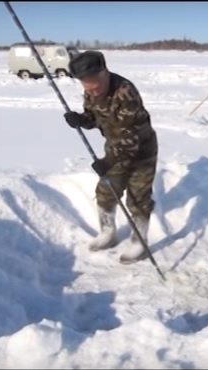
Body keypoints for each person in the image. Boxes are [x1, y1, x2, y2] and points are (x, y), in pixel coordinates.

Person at [63, 50, 158, 265]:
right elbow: (95, 116)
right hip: (115, 148)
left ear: (105, 72)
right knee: (106, 191)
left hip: (141, 150)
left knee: (138, 198)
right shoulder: (92, 91)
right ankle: (108, 232)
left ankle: (138, 242)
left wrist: (107, 162)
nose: (92, 89)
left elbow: (130, 140)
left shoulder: (126, 92)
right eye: (85, 84)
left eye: (95, 83)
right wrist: (82, 120)